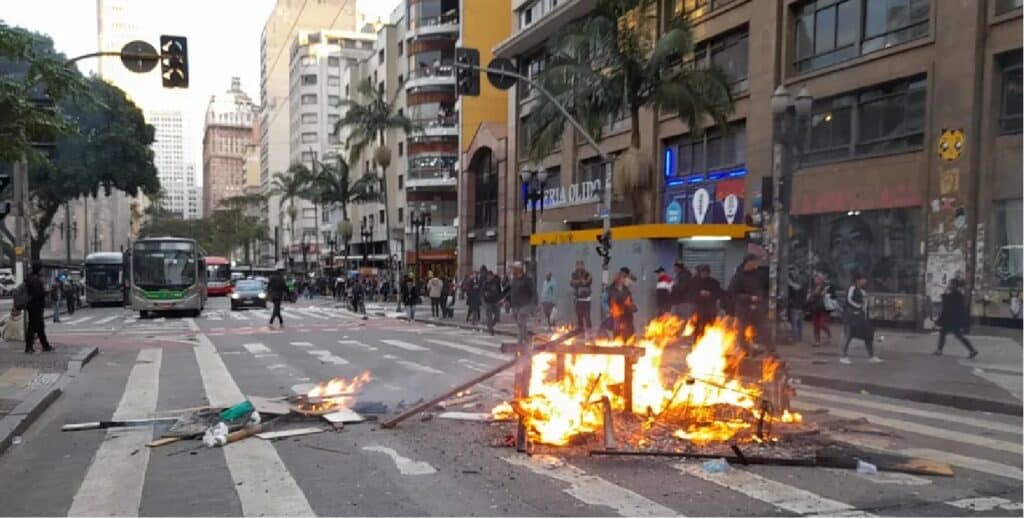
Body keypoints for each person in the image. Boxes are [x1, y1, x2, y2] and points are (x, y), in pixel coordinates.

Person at [728, 254, 767, 352]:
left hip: (757, 309)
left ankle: (772, 353)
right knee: (741, 333)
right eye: (755, 261)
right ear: (748, 262)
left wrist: (760, 297)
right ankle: (744, 351)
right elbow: (733, 293)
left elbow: (763, 289)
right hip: (743, 310)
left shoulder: (758, 275)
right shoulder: (738, 276)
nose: (756, 264)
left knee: (764, 331)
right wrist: (749, 298)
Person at [840, 272, 881, 364]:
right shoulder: (852, 288)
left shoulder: (862, 291)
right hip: (850, 315)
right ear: (858, 280)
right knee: (849, 335)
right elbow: (849, 299)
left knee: (868, 335)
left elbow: (865, 304)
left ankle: (871, 356)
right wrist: (858, 306)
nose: (865, 281)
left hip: (861, 316)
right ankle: (843, 356)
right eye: (863, 279)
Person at [935, 279, 978, 359]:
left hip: (951, 319)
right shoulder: (958, 295)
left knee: (948, 334)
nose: (949, 285)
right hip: (954, 319)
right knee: (954, 335)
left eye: (950, 284)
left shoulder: (955, 295)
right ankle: (972, 350)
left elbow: (947, 306)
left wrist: (944, 295)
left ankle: (939, 350)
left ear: (954, 285)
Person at [25, 262, 53, 354]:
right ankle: (30, 347)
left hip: (32, 305)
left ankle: (44, 345)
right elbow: (37, 294)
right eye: (41, 269)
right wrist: (46, 292)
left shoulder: (30, 277)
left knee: (37, 327)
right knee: (34, 327)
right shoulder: (36, 280)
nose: (43, 270)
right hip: (36, 306)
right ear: (39, 269)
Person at [508, 262, 536, 344]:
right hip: (516, 305)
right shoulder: (514, 279)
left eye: (514, 269)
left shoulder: (527, 279)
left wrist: (534, 304)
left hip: (526, 304)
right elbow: (512, 292)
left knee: (520, 320)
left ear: (519, 269)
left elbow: (533, 291)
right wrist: (508, 302)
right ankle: (526, 339)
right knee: (520, 324)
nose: (513, 270)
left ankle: (520, 342)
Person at [691, 264, 722, 338]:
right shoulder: (695, 282)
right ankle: (697, 340)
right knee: (698, 325)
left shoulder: (714, 282)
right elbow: (691, 294)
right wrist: (700, 294)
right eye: (703, 272)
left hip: (710, 308)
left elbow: (718, 294)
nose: (704, 274)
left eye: (706, 272)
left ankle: (709, 339)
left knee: (710, 325)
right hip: (699, 308)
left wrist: (710, 294)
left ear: (708, 273)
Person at [607, 267, 638, 341]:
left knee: (629, 327)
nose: (623, 280)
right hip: (618, 312)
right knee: (617, 328)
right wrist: (611, 309)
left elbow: (629, 299)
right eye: (622, 278)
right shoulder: (611, 289)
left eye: (624, 278)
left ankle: (630, 341)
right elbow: (611, 300)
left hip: (627, 312)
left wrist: (631, 305)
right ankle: (617, 342)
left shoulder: (626, 289)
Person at [806, 274, 833, 347]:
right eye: (816, 279)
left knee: (821, 323)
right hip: (815, 308)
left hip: (822, 308)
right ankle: (817, 341)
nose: (815, 280)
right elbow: (811, 297)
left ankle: (828, 334)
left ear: (821, 280)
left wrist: (817, 294)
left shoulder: (825, 287)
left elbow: (823, 296)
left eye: (817, 279)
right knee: (815, 325)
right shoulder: (814, 287)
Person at [570, 261, 593, 336]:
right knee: (579, 317)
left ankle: (589, 333)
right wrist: (580, 281)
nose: (579, 267)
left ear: (583, 266)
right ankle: (581, 333)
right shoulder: (574, 274)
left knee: (587, 317)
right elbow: (572, 282)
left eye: (581, 265)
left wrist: (580, 282)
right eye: (578, 265)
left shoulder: (587, 273)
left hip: (586, 299)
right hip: (578, 299)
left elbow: (588, 281)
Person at [481, 266, 504, 335]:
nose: (489, 277)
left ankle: (490, 325)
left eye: (490, 276)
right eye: (488, 276)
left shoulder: (496, 283)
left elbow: (500, 291)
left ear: (492, 276)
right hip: (488, 302)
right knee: (489, 316)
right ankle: (491, 329)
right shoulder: (485, 283)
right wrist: (484, 299)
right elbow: (482, 292)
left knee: (497, 317)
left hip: (495, 301)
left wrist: (501, 299)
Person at [788, 279, 807, 344]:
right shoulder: (804, 290)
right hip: (801, 308)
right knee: (800, 324)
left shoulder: (795, 290)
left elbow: (790, 283)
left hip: (795, 308)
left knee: (795, 324)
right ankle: (799, 338)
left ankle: (795, 338)